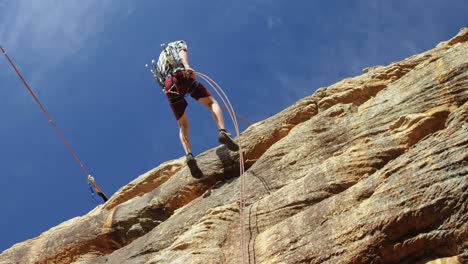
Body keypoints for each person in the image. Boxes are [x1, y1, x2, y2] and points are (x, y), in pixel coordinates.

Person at [154, 40, 239, 167]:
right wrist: (187, 66)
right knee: (211, 103)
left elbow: (161, 79)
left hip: (168, 85)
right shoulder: (178, 43)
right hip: (181, 74)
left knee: (182, 123)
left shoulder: (160, 60)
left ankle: (189, 155)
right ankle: (222, 131)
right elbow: (182, 52)